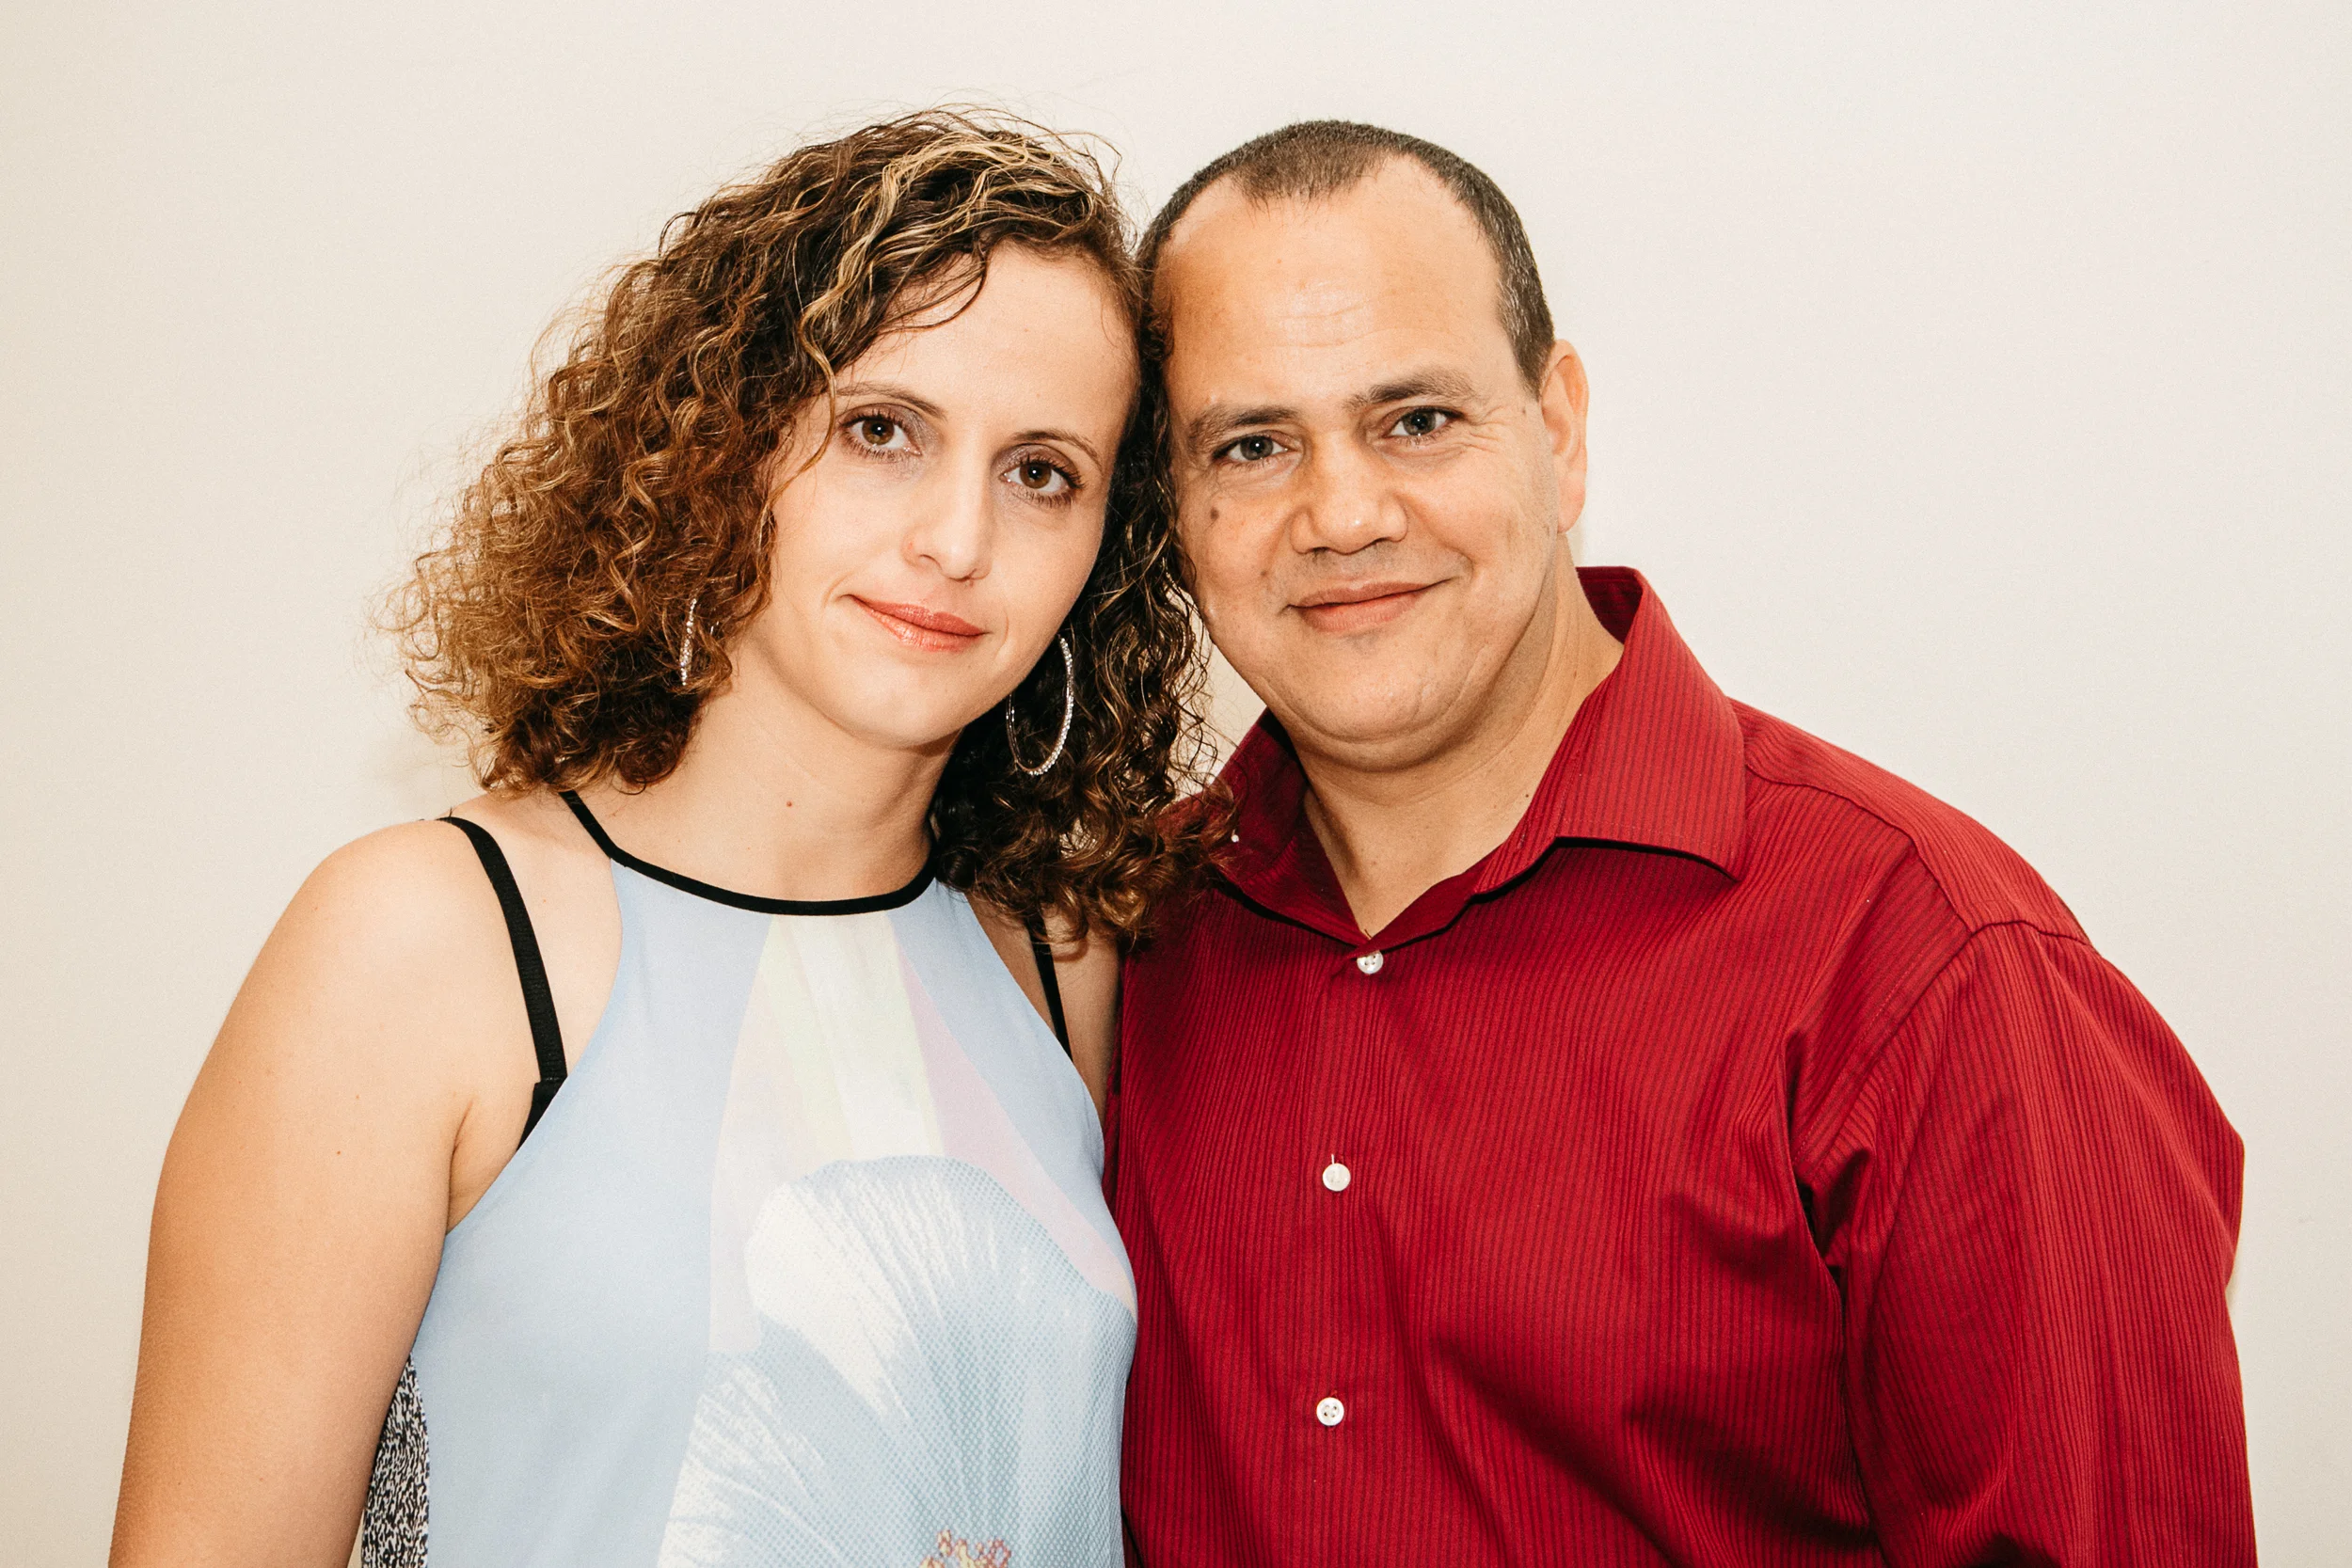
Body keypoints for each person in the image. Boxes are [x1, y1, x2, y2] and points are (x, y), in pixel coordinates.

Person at [1110, 120, 2254, 1565]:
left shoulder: (1933, 968)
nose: (1343, 513)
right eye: (1253, 444)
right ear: (1172, 507)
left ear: (1560, 428)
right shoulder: (1113, 943)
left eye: (1418, 420)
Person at [111, 110, 1220, 1568]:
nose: (959, 539)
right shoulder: (427, 941)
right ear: (724, 444)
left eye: (1043, 471)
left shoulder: (1062, 963)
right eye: (882, 430)